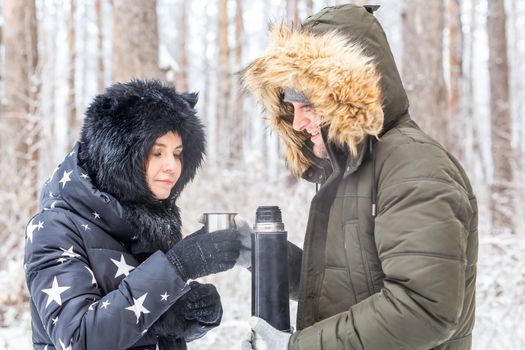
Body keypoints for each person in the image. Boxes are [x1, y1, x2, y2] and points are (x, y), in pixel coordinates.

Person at [241, 4, 478, 350]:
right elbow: (342, 279)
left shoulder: (414, 167)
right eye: (292, 108)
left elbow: (422, 307)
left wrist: (297, 347)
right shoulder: (354, 169)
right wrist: (255, 253)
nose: (297, 123)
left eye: (309, 106)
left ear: (346, 95)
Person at [24, 79, 242, 350]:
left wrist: (190, 317)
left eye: (178, 154)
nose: (172, 166)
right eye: (157, 152)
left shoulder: (146, 222)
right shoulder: (55, 228)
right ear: (119, 156)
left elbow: (140, 324)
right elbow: (79, 338)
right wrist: (178, 266)